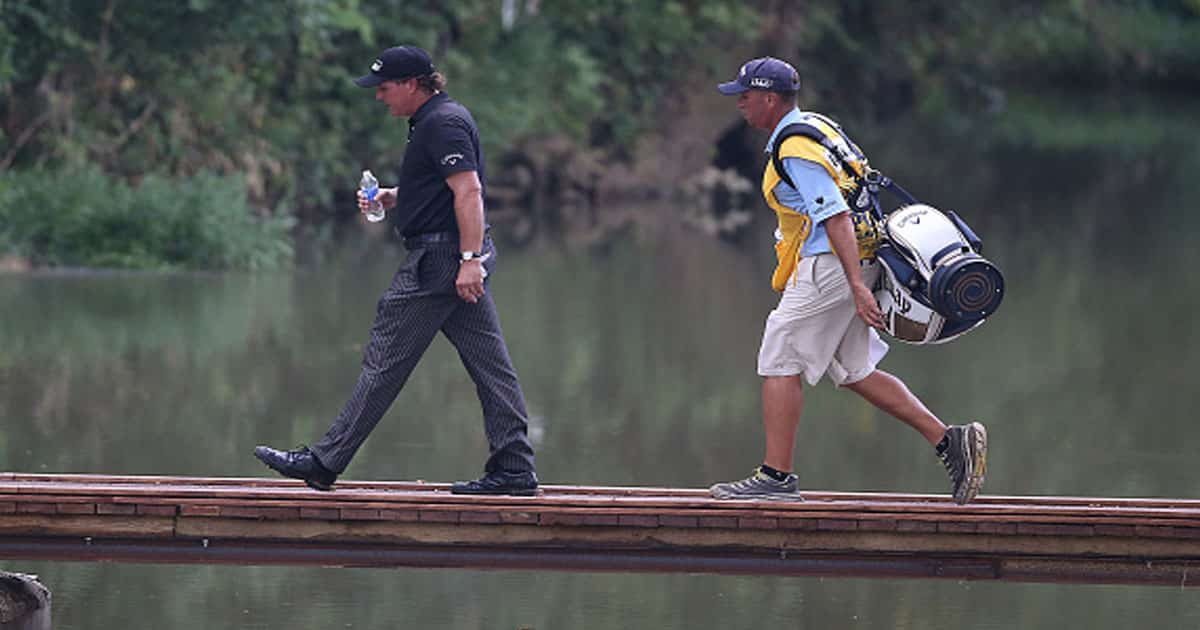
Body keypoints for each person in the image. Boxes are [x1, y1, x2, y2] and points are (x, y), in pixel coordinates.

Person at [254, 45, 538, 495]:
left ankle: (324, 462)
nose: (379, 97)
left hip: (440, 260)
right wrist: (394, 196)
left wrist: (467, 262)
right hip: (452, 257)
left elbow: (469, 192)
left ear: (411, 84)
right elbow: (440, 187)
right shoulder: (436, 120)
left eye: (384, 88)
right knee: (491, 365)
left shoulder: (442, 123)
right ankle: (516, 469)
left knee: (385, 358)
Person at [708, 57, 987, 504]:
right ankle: (949, 441)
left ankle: (776, 479)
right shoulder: (817, 127)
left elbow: (834, 212)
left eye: (745, 95)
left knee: (779, 356)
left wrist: (856, 285)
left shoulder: (795, 149)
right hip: (857, 257)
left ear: (770, 99)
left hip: (831, 265)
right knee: (853, 369)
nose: (739, 103)